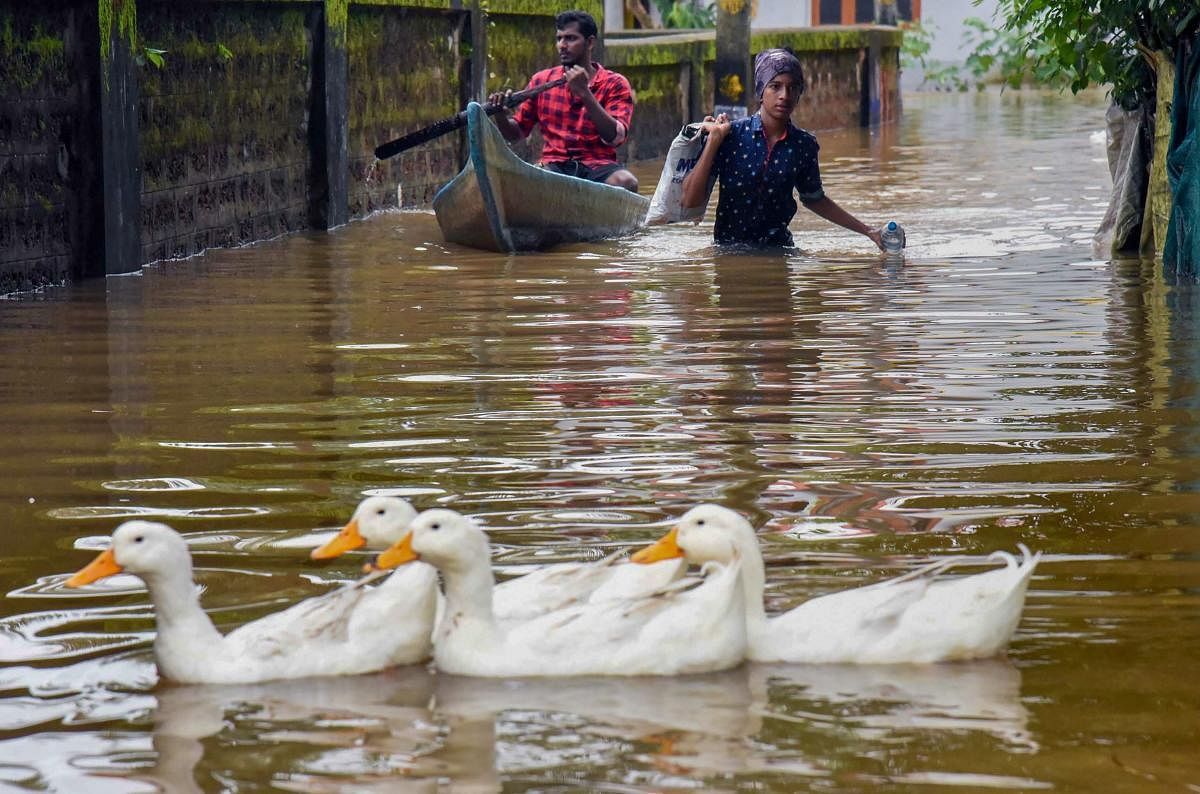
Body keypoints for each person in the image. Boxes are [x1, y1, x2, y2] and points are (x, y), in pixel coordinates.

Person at [681, 48, 885, 250]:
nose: (784, 95)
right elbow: (690, 201)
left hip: (779, 254)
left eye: (793, 87)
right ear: (761, 91)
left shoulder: (804, 145)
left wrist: (868, 231)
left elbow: (815, 199)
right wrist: (713, 142)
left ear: (799, 93)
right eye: (775, 86)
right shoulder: (729, 136)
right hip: (729, 254)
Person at [486, 10, 639, 192]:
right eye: (559, 39)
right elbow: (517, 133)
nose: (562, 45)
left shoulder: (614, 83)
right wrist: (501, 116)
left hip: (598, 165)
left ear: (590, 43)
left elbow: (615, 137)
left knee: (627, 182)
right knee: (521, 183)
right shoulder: (542, 81)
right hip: (553, 166)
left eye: (570, 39)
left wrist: (585, 94)